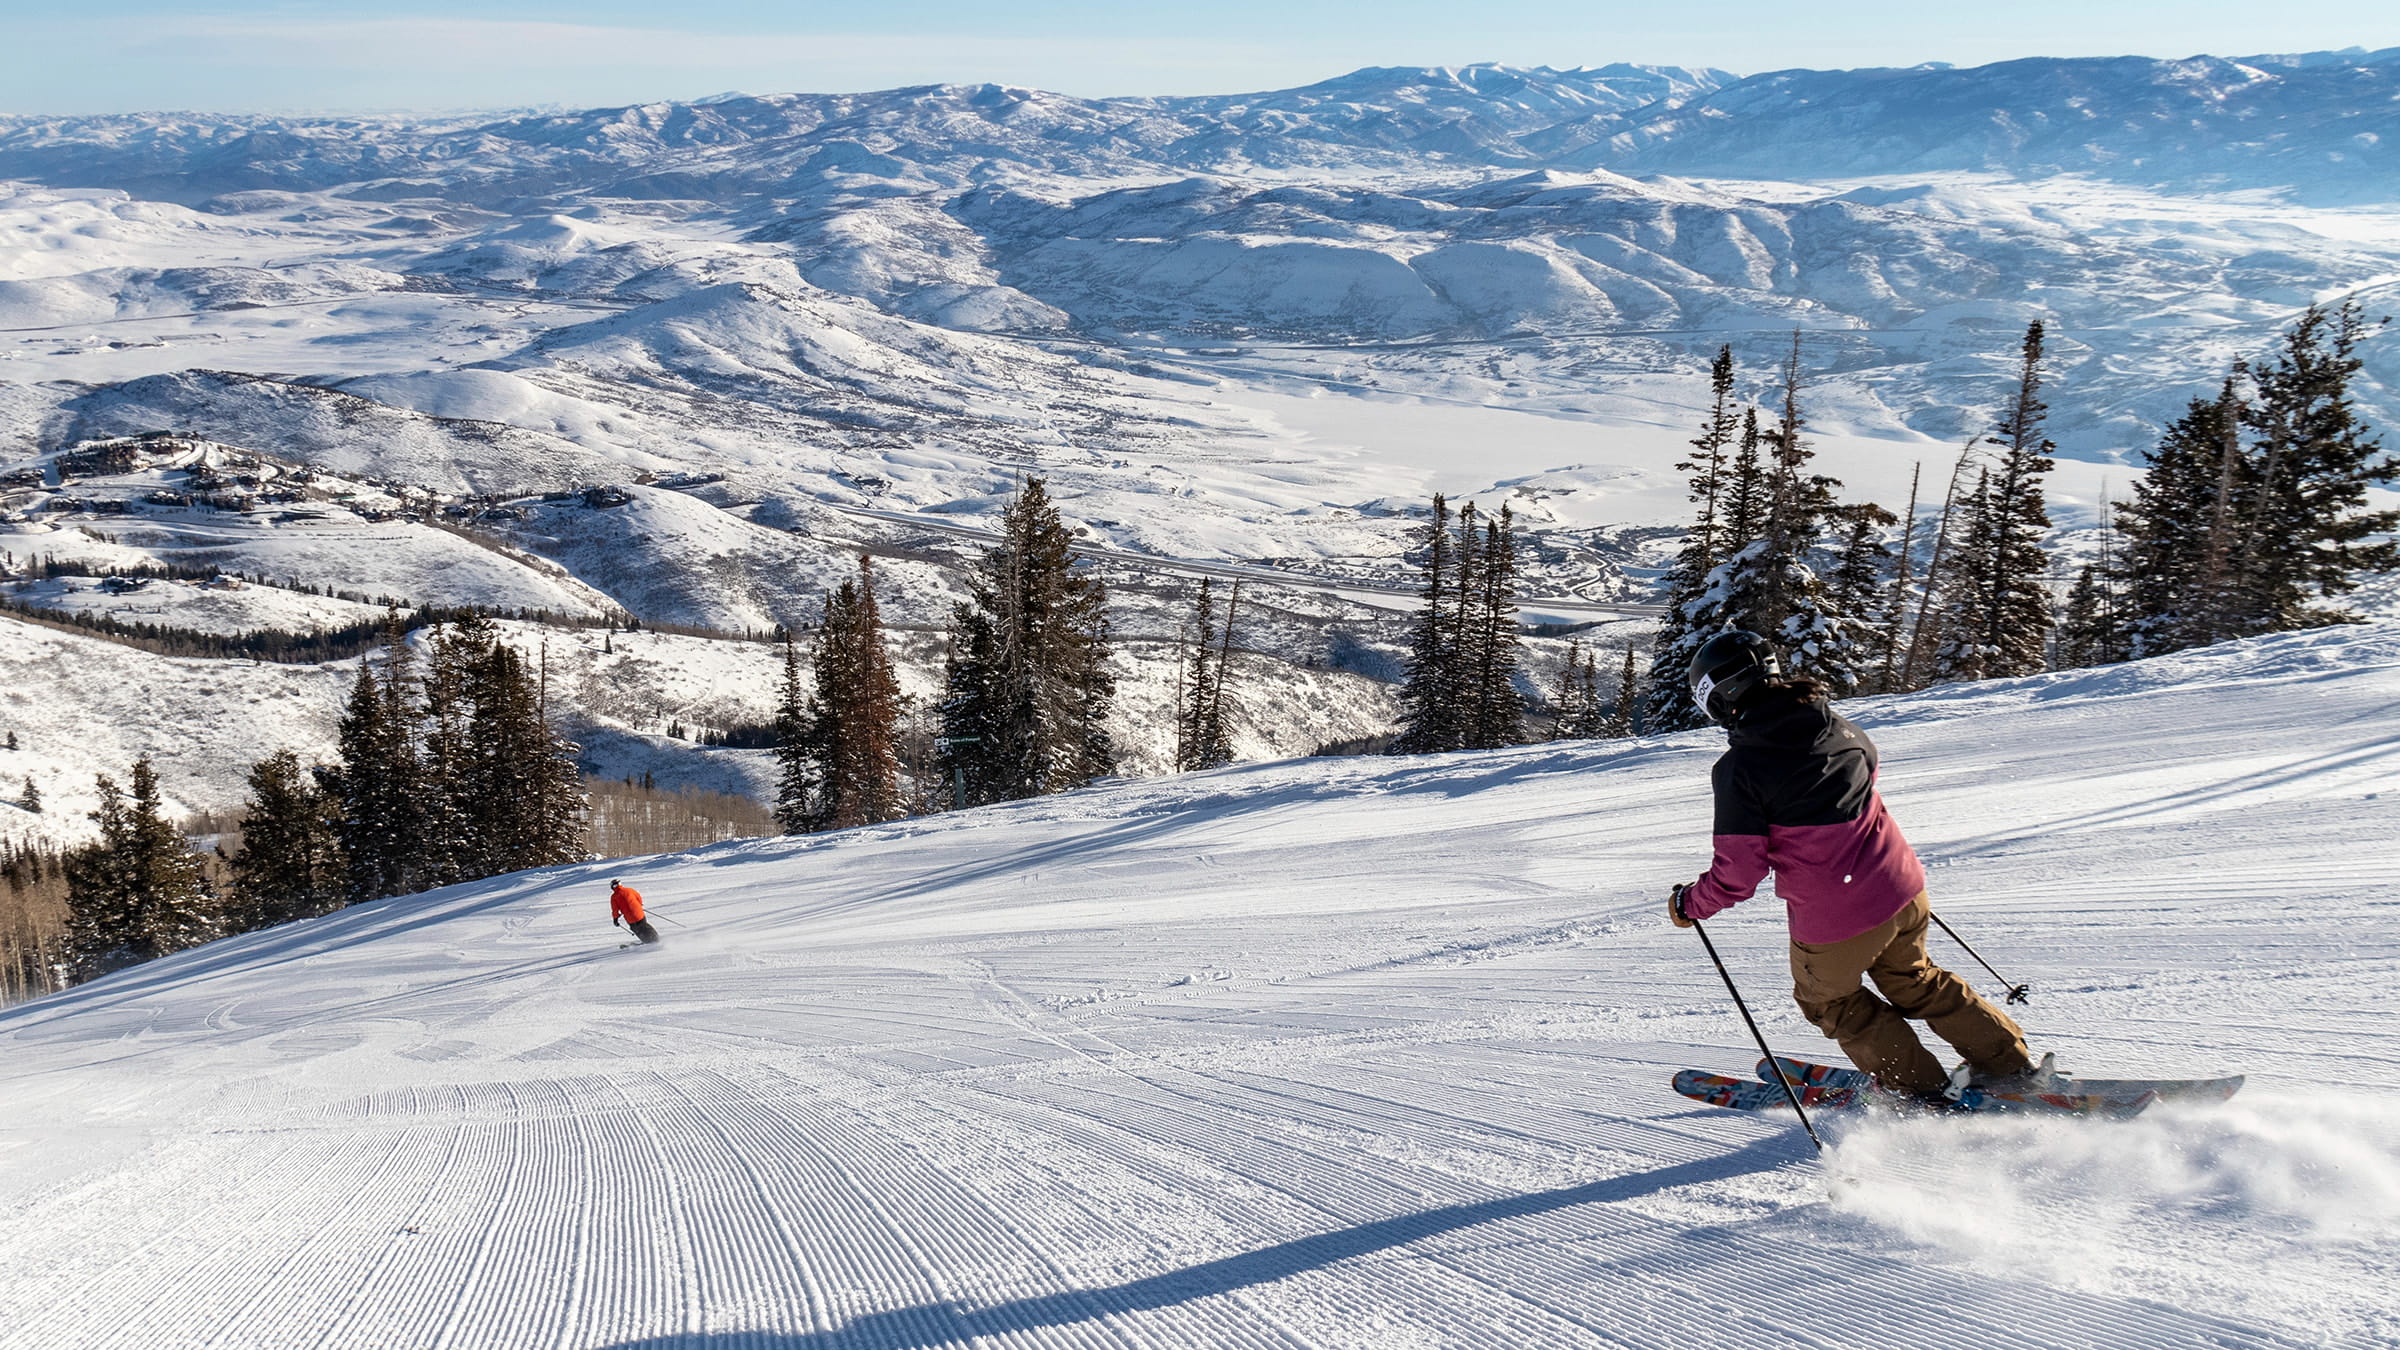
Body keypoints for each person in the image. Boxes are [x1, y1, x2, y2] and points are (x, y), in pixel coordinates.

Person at [1668, 629, 2049, 1103]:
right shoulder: (1839, 727)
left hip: (1837, 918)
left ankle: (1922, 1091)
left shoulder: (1740, 768)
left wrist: (1691, 903)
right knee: (1915, 979)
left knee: (1829, 1000)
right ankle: (2010, 1064)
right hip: (1902, 888)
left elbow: (1739, 872)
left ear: (1719, 697)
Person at [610, 879, 660, 945]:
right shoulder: (629, 890)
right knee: (644, 926)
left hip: (630, 918)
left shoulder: (614, 897)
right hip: (639, 913)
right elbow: (638, 897)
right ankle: (656, 938)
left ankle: (647, 941)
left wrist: (615, 919)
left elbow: (615, 910)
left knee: (636, 929)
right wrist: (639, 905)